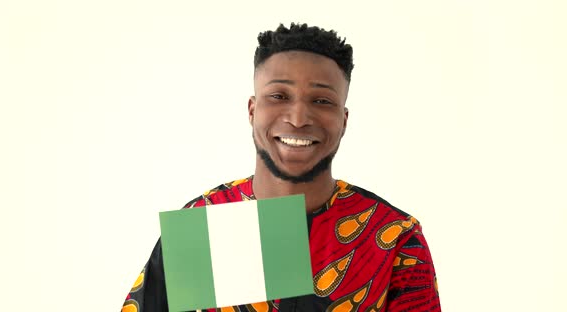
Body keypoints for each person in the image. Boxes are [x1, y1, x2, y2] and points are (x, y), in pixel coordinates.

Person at [122, 23, 441, 312]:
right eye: (278, 95)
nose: (298, 118)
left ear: (344, 120)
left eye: (321, 100)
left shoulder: (394, 237)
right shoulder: (202, 225)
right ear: (252, 109)